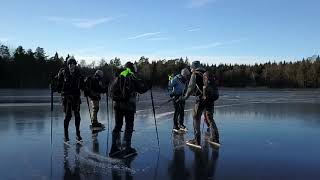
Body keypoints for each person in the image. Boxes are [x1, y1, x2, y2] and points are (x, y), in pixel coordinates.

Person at [109, 62, 150, 157]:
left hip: (117, 106)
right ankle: (127, 148)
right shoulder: (132, 76)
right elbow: (141, 89)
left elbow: (111, 91)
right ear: (132, 69)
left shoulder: (119, 76)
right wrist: (148, 85)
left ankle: (113, 148)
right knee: (129, 126)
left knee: (117, 126)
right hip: (128, 106)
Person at [182, 61, 220, 147]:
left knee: (196, 118)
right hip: (210, 99)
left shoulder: (195, 74)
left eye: (191, 68)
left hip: (201, 99)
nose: (191, 70)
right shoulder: (207, 73)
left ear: (194, 67)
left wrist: (185, 97)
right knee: (210, 118)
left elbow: (190, 88)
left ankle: (196, 140)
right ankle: (215, 138)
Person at [56, 56, 85, 143]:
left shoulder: (78, 74)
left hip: (76, 97)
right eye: (70, 64)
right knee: (68, 116)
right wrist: (55, 87)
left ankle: (77, 133)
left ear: (75, 65)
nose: (72, 65)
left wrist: (86, 88)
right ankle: (66, 134)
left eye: (74, 64)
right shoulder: (63, 73)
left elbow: (83, 85)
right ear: (68, 65)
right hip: (67, 97)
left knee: (77, 116)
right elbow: (59, 87)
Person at [168, 68, 190, 133]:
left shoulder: (185, 80)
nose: (187, 76)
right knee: (177, 111)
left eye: (188, 75)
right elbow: (169, 86)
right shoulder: (176, 79)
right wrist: (172, 94)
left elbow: (186, 88)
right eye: (186, 75)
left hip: (182, 96)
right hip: (176, 96)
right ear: (183, 74)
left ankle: (181, 124)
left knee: (182, 111)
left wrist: (185, 94)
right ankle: (175, 126)